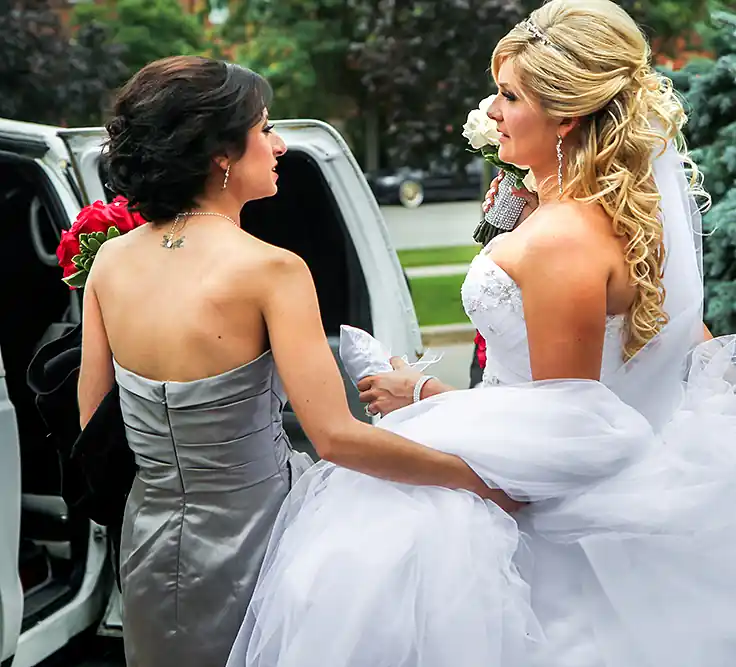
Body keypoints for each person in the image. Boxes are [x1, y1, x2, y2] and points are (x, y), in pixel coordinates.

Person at [226, 2, 736, 666]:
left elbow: (561, 423)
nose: (491, 112)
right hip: (625, 464)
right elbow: (671, 343)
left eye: (509, 96)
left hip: (555, 527)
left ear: (567, 113)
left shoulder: (561, 240)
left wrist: (425, 392)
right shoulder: (604, 216)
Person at [77, 55, 516, 667]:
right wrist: (474, 478)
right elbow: (335, 438)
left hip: (149, 539)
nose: (279, 144)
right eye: (264, 128)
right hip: (262, 539)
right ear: (221, 154)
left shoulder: (111, 262)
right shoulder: (270, 270)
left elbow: (95, 423)